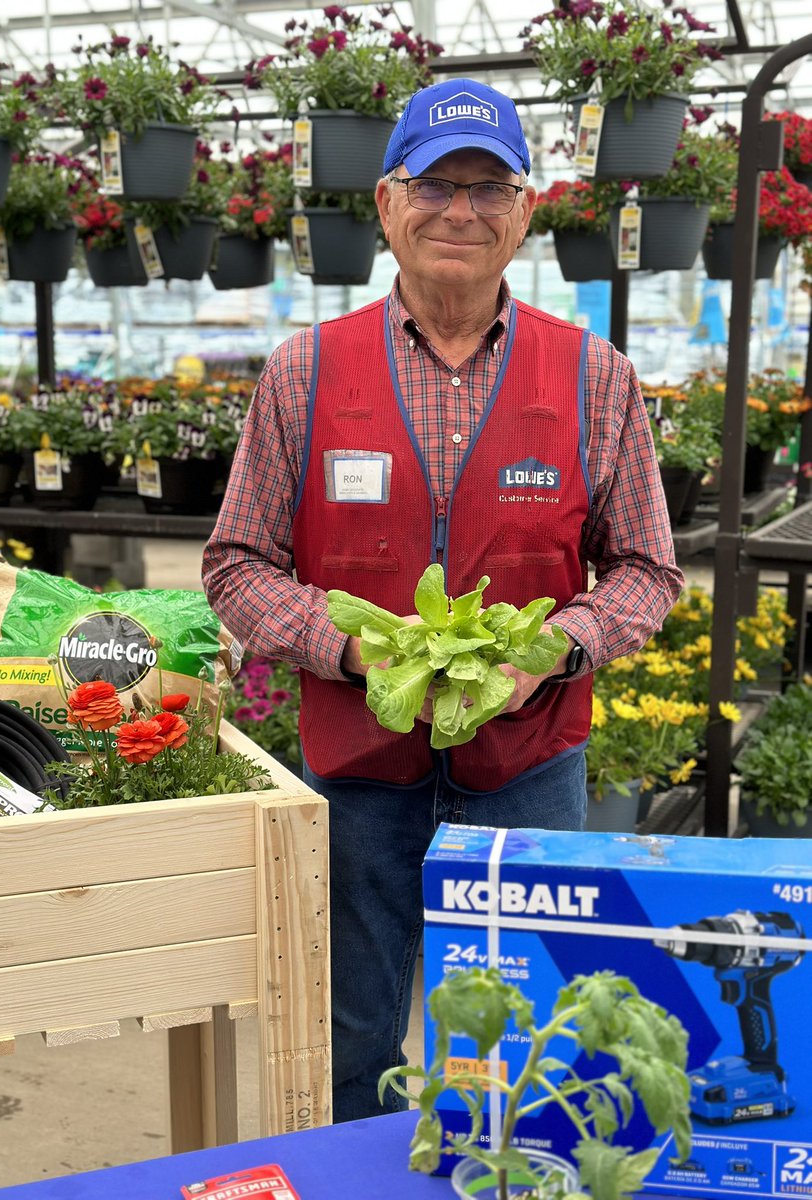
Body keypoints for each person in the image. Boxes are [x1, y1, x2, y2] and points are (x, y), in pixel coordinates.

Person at [202, 77, 684, 1124]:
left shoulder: (596, 378)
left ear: (524, 213)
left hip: (527, 768)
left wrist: (549, 651)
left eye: (486, 186)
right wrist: (352, 652)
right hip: (353, 774)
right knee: (349, 1038)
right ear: (386, 204)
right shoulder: (303, 374)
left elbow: (648, 570)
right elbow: (236, 564)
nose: (457, 209)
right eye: (434, 183)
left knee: (523, 1039)